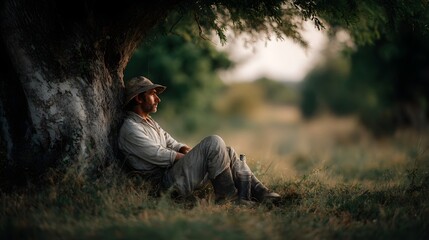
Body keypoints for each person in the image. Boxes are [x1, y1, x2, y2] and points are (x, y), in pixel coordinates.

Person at [118, 76, 280, 204]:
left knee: (227, 151)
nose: (158, 99)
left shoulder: (150, 122)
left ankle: (260, 193)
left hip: (173, 175)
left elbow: (172, 143)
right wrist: (198, 157)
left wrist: (187, 151)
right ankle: (228, 198)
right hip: (162, 185)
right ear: (139, 99)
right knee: (213, 142)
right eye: (152, 94)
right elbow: (160, 154)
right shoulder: (130, 129)